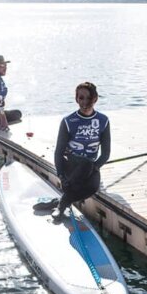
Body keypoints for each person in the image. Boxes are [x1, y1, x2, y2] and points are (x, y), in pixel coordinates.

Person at [51, 81, 111, 223]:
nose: (84, 102)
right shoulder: (68, 121)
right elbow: (59, 152)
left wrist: (95, 168)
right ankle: (61, 206)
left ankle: (61, 202)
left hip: (89, 167)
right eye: (81, 98)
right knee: (84, 165)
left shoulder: (103, 120)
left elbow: (106, 153)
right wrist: (60, 174)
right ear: (76, 99)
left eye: (88, 98)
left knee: (92, 187)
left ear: (95, 99)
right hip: (71, 166)